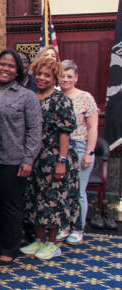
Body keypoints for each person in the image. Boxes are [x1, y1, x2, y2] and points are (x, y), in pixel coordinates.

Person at [22, 57, 79, 260]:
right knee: (34, 200)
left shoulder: (60, 99)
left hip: (55, 158)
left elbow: (65, 133)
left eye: (47, 75)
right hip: (33, 157)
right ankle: (39, 240)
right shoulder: (30, 96)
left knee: (53, 201)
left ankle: (53, 243)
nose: (42, 78)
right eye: (39, 74)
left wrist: (61, 161)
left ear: (55, 77)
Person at [0, 50, 42, 264]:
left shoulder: (27, 96)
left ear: (18, 70)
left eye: (11, 66)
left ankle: (10, 248)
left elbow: (34, 131)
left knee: (10, 206)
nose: (5, 69)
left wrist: (28, 159)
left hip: (14, 160)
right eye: (2, 64)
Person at [58, 60, 98, 244]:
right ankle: (64, 226)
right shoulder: (56, 96)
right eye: (62, 75)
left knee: (79, 191)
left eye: (69, 76)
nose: (65, 79)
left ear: (76, 78)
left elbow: (92, 128)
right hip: (59, 147)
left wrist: (89, 152)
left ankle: (78, 228)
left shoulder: (85, 97)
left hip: (81, 146)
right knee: (63, 190)